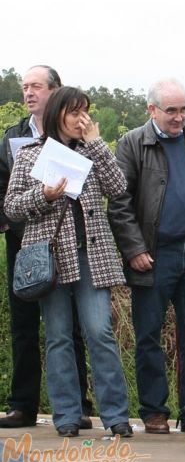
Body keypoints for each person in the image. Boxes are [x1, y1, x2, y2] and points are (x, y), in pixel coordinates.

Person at [4, 86, 132, 438]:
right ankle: (66, 416)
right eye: (75, 112)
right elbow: (12, 206)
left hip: (91, 254)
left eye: (85, 112)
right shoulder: (31, 155)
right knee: (58, 336)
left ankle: (116, 416)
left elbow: (118, 186)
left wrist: (96, 143)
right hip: (50, 258)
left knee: (100, 333)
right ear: (59, 113)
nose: (82, 119)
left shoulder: (91, 150)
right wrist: (43, 195)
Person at [107, 79, 185, 435]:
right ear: (152, 110)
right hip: (154, 256)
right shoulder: (131, 143)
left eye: (184, 109)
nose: (179, 117)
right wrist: (135, 249)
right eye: (171, 110)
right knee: (148, 337)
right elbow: (119, 202)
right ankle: (154, 411)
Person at [0, 65, 93, 429]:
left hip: (63, 242)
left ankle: (79, 405)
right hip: (23, 243)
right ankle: (23, 404)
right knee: (23, 323)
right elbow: (3, 182)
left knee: (69, 326)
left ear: (54, 92)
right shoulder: (13, 135)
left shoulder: (76, 135)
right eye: (24, 87)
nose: (28, 93)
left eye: (36, 86)